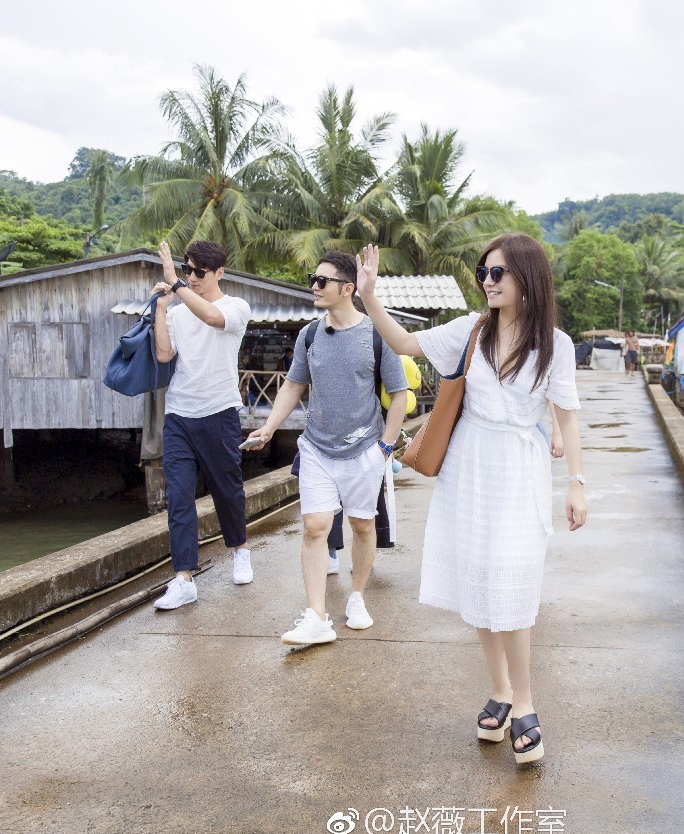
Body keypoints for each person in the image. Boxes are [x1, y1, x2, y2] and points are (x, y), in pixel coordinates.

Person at [355, 234, 587, 766]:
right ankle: (501, 690)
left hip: (518, 468)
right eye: (484, 271)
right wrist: (370, 298)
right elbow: (405, 344)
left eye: (499, 273)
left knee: (513, 579)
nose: (488, 280)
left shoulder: (557, 344)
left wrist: (577, 481)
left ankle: (525, 703)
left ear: (527, 279)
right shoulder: (471, 330)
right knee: (480, 577)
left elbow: (567, 414)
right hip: (469, 465)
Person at [247, 250, 409, 646]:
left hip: (364, 450)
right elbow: (292, 385)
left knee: (362, 525)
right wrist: (268, 428)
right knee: (315, 527)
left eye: (322, 281)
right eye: (312, 279)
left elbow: (399, 394)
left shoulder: (376, 335)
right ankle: (317, 616)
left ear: (348, 289)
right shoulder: (309, 334)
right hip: (317, 447)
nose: (314, 286)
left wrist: (384, 448)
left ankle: (356, 596)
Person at [149, 241, 254, 611]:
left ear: (219, 273)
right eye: (187, 269)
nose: (192, 278)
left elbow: (211, 318)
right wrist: (162, 309)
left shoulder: (235, 307)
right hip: (179, 413)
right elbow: (164, 354)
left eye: (199, 272)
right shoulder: (179, 312)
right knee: (178, 497)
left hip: (219, 411)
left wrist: (174, 284)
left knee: (227, 489)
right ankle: (183, 578)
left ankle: (240, 549)